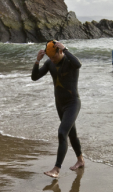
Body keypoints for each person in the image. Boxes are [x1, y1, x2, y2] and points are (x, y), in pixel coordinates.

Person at [31, 40, 85, 178]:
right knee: (71, 134)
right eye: (50, 58)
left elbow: (78, 64)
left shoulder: (69, 62)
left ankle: (56, 169)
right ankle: (80, 160)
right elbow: (34, 77)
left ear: (60, 51)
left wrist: (65, 49)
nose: (52, 60)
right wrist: (37, 61)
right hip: (60, 104)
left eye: (54, 57)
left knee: (62, 132)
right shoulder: (50, 63)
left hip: (73, 103)